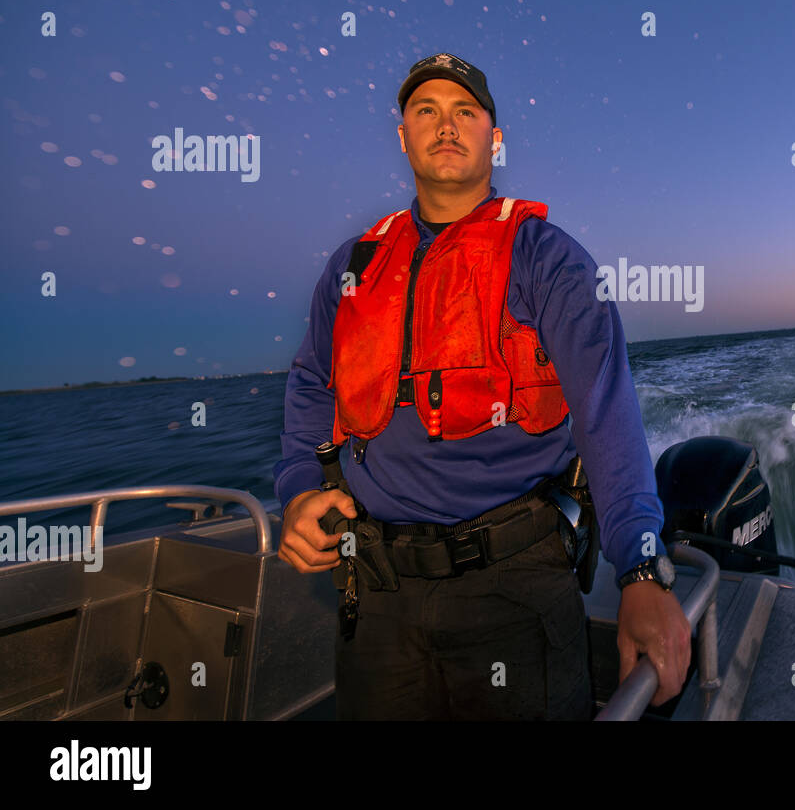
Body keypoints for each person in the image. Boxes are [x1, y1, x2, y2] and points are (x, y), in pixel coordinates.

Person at [273, 52, 691, 719]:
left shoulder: (547, 259)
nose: (446, 125)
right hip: (375, 598)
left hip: (514, 592)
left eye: (465, 111)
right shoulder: (353, 267)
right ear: (403, 135)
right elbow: (310, 387)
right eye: (426, 112)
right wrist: (297, 490)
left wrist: (641, 569)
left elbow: (606, 414)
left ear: (494, 140)